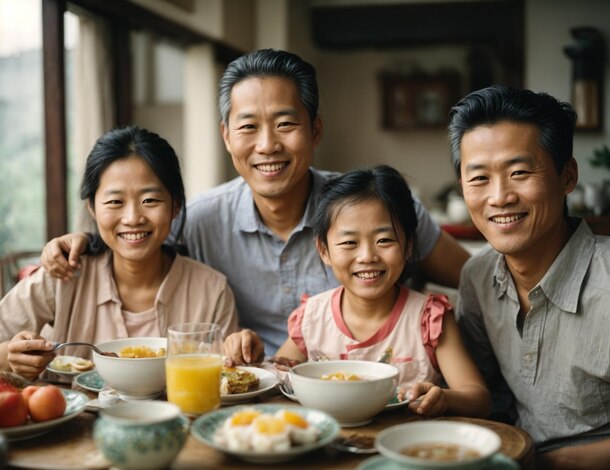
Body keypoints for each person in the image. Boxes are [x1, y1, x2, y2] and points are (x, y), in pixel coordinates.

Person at [38, 49, 469, 356]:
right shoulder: (199, 219)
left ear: (315, 131)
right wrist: (84, 239)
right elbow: (135, 230)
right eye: (248, 127)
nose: (267, 145)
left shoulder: (379, 210)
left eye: (285, 124)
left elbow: (475, 282)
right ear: (227, 136)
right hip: (251, 407)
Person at [450, 85, 610, 469]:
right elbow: (486, 399)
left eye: (519, 173)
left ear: (567, 176)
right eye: (479, 178)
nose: (499, 197)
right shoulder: (478, 277)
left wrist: (549, 463)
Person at [225, 165, 491, 418]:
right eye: (349, 242)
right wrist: (252, 356)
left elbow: (478, 398)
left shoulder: (429, 319)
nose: (367, 256)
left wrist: (442, 397)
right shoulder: (312, 318)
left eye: (384, 240)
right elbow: (276, 379)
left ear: (409, 246)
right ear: (324, 251)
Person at [0, 126, 238, 380]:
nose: (133, 218)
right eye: (115, 202)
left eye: (150, 200)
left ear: (175, 207)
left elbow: (228, 379)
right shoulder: (62, 274)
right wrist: (11, 358)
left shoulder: (212, 291)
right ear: (92, 207)